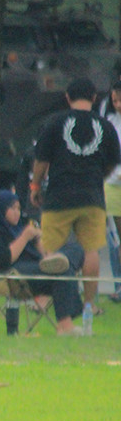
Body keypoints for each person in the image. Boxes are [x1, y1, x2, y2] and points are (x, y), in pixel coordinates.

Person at [31, 77, 121, 326]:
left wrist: (35, 186)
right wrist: (97, 177)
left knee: (52, 249)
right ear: (94, 98)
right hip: (92, 197)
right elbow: (113, 162)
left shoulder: (55, 122)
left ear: (68, 98)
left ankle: (58, 309)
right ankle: (89, 308)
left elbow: (41, 160)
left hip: (58, 196)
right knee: (90, 250)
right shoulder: (106, 126)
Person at [0, 190, 84, 336]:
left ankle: (59, 262)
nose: (17, 213)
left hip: (37, 265)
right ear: (0, 208)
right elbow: (2, 261)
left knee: (76, 249)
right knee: (63, 271)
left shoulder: (19, 226)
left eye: (19, 209)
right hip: (13, 273)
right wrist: (25, 237)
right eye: (12, 208)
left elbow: (40, 255)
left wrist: (40, 242)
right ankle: (65, 326)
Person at [96, 79, 121, 303]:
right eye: (115, 100)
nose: (118, 104)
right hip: (112, 185)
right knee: (115, 239)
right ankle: (118, 284)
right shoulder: (110, 121)